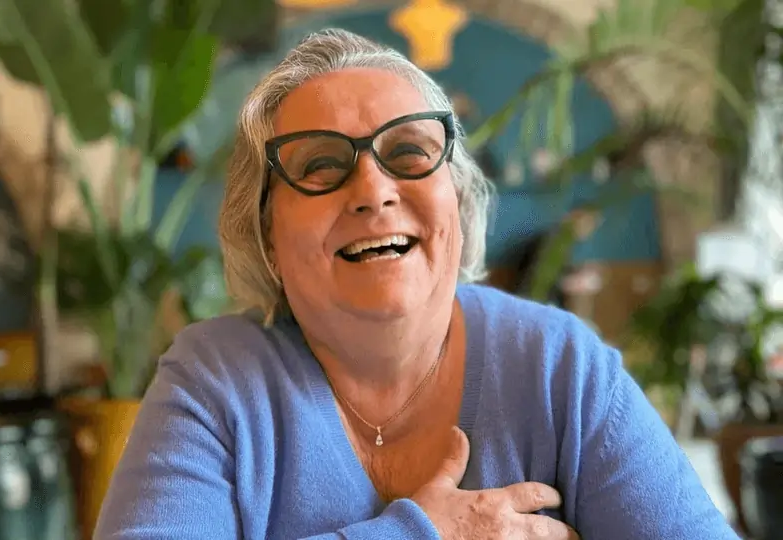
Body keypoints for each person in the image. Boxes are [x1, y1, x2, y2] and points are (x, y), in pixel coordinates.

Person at [95, 29, 739, 540]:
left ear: (456, 199)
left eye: (408, 155)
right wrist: (426, 533)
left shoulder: (561, 367)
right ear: (265, 235)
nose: (374, 192)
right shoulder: (213, 383)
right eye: (320, 166)